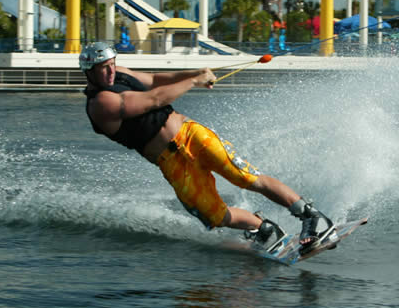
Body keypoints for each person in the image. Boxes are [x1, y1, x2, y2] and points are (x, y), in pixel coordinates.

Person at [79, 42, 331, 249]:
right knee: (214, 216)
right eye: (103, 68)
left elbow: (156, 79)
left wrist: (193, 73)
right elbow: (153, 99)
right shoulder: (100, 105)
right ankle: (263, 228)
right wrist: (194, 82)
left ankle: (311, 216)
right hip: (170, 162)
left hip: (191, 135)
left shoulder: (120, 72)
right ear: (89, 71)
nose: (111, 71)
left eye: (111, 64)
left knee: (245, 176)